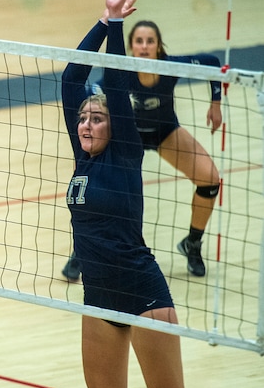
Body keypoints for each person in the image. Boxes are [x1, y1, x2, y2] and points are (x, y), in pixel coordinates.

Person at [62, 0, 189, 388]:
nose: (85, 124)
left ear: (116, 126)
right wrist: (101, 19)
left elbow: (115, 82)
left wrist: (118, 24)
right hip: (97, 296)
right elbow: (69, 79)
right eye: (82, 118)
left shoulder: (125, 152)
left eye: (96, 118)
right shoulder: (83, 158)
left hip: (141, 290)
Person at [62, 18, 222, 281]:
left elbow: (212, 64)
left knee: (210, 179)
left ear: (159, 47)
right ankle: (81, 251)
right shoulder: (118, 77)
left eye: (150, 41)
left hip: (164, 133)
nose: (145, 47)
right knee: (95, 187)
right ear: (131, 47)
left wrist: (215, 103)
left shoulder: (168, 66)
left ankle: (192, 243)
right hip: (125, 143)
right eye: (139, 41)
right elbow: (86, 90)